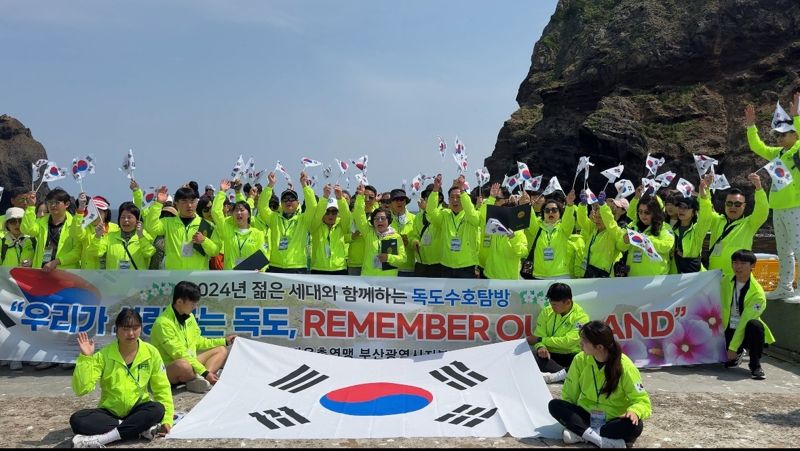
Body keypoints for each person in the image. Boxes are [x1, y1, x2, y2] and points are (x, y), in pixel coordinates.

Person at [70, 308, 173, 448]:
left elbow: (162, 389)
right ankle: (141, 429)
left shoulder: (151, 352)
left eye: (135, 328)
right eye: (125, 328)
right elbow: (81, 389)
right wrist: (86, 359)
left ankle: (103, 439)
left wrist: (167, 420)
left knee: (158, 409)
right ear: (116, 330)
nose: (131, 333)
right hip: (110, 414)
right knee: (77, 420)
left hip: (139, 409)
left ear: (141, 328)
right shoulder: (104, 355)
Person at [548, 320, 651, 448]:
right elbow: (570, 393)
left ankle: (582, 434)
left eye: (584, 341)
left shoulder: (625, 366)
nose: (580, 344)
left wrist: (634, 411)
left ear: (599, 347)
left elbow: (642, 401)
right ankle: (600, 440)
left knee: (635, 427)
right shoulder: (580, 359)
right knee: (555, 405)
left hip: (612, 420)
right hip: (586, 415)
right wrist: (570, 417)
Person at [745, 99, 800, 301]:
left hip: (796, 207)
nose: (779, 138)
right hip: (778, 208)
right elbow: (757, 146)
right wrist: (751, 126)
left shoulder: (798, 149)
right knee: (784, 250)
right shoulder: (777, 153)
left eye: (783, 134)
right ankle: (785, 287)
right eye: (777, 135)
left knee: (799, 248)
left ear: (795, 134)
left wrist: (797, 117)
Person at [150, 281, 236, 393]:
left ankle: (199, 379)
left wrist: (224, 341)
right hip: (171, 367)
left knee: (221, 350)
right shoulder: (163, 323)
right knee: (183, 365)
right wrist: (204, 372)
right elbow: (179, 354)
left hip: (190, 361)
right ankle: (199, 377)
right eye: (193, 304)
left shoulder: (189, 316)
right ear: (179, 301)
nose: (195, 307)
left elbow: (198, 341)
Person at [721, 250, 776, 380]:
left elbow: (744, 321)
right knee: (725, 363)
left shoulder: (757, 293)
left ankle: (755, 365)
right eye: (735, 262)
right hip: (726, 327)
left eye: (743, 263)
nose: (738, 266)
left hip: (744, 329)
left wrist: (732, 348)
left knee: (754, 325)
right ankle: (737, 353)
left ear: (752, 266)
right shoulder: (725, 280)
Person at [707, 173, 768, 278]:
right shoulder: (716, 220)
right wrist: (706, 188)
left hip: (738, 277)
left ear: (744, 206)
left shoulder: (749, 224)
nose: (733, 207)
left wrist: (758, 188)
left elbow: (762, 210)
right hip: (714, 275)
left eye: (737, 204)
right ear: (725, 204)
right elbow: (705, 208)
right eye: (729, 203)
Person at [144, 186, 219, 270]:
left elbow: (214, 251)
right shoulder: (167, 223)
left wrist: (204, 241)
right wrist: (158, 203)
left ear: (196, 203)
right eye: (184, 201)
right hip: (174, 276)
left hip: (197, 276)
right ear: (176, 203)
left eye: (192, 201)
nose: (189, 205)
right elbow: (151, 227)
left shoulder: (207, 225)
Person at [527, 283, 589, 383]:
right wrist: (540, 347)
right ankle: (567, 375)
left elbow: (568, 342)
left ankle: (562, 375)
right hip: (551, 355)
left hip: (571, 355)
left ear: (568, 302)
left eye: (555, 305)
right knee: (533, 356)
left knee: (584, 361)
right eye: (551, 304)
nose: (552, 307)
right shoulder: (546, 312)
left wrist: (540, 340)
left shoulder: (581, 317)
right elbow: (539, 334)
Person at [257, 172, 317, 273]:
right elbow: (262, 206)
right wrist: (270, 185)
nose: (288, 201)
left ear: (298, 203)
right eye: (285, 199)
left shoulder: (303, 219)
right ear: (281, 203)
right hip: (275, 266)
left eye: (292, 199)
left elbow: (312, 206)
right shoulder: (273, 218)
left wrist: (304, 185)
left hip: (297, 267)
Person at [426, 174, 482, 278]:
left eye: (458, 197)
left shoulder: (471, 216)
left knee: (466, 294)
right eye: (452, 197)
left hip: (466, 266)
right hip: (446, 266)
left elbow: (472, 214)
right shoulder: (444, 215)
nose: (455, 200)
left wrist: (462, 190)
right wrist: (435, 190)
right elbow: (431, 211)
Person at [212, 179, 269, 270]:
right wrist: (222, 192)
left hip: (251, 277)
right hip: (231, 278)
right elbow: (216, 212)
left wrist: (261, 269)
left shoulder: (258, 233)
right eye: (236, 211)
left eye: (242, 210)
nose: (239, 213)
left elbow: (264, 254)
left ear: (249, 214)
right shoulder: (227, 229)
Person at [21, 188, 81, 271]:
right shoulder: (41, 222)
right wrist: (31, 207)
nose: (53, 205)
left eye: (57, 202)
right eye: (50, 202)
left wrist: (57, 262)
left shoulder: (75, 224)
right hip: (42, 271)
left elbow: (78, 252)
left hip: (65, 275)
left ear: (66, 204)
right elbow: (27, 230)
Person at [352, 184, 406, 276]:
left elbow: (403, 259)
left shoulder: (396, 236)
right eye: (376, 219)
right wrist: (360, 196)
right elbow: (359, 215)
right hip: (368, 280)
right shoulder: (368, 233)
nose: (379, 221)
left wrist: (388, 258)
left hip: (388, 281)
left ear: (388, 221)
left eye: (382, 218)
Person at [521, 191, 576, 280]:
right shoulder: (537, 228)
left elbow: (568, 219)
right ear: (543, 213)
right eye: (547, 210)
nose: (550, 212)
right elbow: (531, 217)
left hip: (561, 275)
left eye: (554, 210)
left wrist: (569, 206)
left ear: (559, 213)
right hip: (539, 275)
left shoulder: (564, 229)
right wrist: (527, 204)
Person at [87, 202, 155, 271]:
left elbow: (149, 253)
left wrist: (141, 236)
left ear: (137, 220)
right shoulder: (110, 236)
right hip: (115, 280)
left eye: (129, 217)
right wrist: (97, 236)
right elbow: (95, 252)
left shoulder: (145, 236)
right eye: (122, 217)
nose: (125, 220)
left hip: (136, 280)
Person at [620, 195, 674, 277]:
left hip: (655, 279)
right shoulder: (633, 225)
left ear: (655, 212)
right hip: (632, 277)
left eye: (647, 212)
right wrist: (624, 241)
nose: (643, 215)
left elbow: (666, 246)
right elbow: (621, 246)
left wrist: (645, 240)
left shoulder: (664, 227)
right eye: (640, 212)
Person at [671, 175, 713, 274]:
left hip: (693, 276)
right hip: (674, 275)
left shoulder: (698, 230)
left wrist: (704, 193)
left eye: (686, 208)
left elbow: (706, 216)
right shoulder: (671, 229)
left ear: (693, 212)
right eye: (680, 207)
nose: (681, 210)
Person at [575, 194, 621, 278]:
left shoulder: (614, 233)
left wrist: (603, 206)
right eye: (596, 216)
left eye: (600, 217)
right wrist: (582, 205)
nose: (597, 220)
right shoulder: (593, 229)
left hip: (603, 278)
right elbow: (582, 220)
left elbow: (610, 222)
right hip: (588, 273)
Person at [309, 184, 351, 275]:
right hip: (318, 268)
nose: (331, 215)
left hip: (339, 269)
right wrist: (325, 197)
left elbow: (346, 215)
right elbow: (317, 214)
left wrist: (340, 198)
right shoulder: (315, 226)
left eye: (334, 212)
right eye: (327, 212)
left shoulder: (341, 226)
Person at [409, 185, 444, 278]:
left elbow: (435, 219)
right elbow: (414, 234)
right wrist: (414, 241)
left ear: (439, 198)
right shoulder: (418, 216)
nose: (427, 198)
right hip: (421, 263)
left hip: (439, 264)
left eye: (431, 195)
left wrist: (426, 209)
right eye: (426, 196)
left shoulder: (444, 213)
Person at [347, 184, 379, 276]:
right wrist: (352, 236)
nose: (367, 199)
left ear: (375, 199)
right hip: (355, 262)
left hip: (373, 262)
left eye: (371, 197)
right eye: (364, 196)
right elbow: (343, 237)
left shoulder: (380, 216)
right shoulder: (352, 215)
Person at [387, 188, 416, 276]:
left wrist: (409, 242)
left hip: (408, 267)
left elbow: (417, 239)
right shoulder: (385, 219)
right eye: (396, 199)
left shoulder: (415, 218)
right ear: (391, 203)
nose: (399, 202)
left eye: (402, 199)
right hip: (390, 267)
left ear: (406, 202)